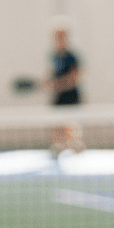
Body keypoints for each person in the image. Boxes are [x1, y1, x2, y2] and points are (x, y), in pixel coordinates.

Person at [47, 18, 85, 156]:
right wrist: (50, 83)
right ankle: (58, 149)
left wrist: (59, 84)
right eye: (57, 36)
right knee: (57, 125)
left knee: (72, 125)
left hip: (71, 96)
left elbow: (75, 77)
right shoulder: (54, 56)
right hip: (59, 97)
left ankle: (76, 149)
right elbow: (52, 75)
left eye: (62, 36)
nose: (59, 39)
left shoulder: (72, 56)